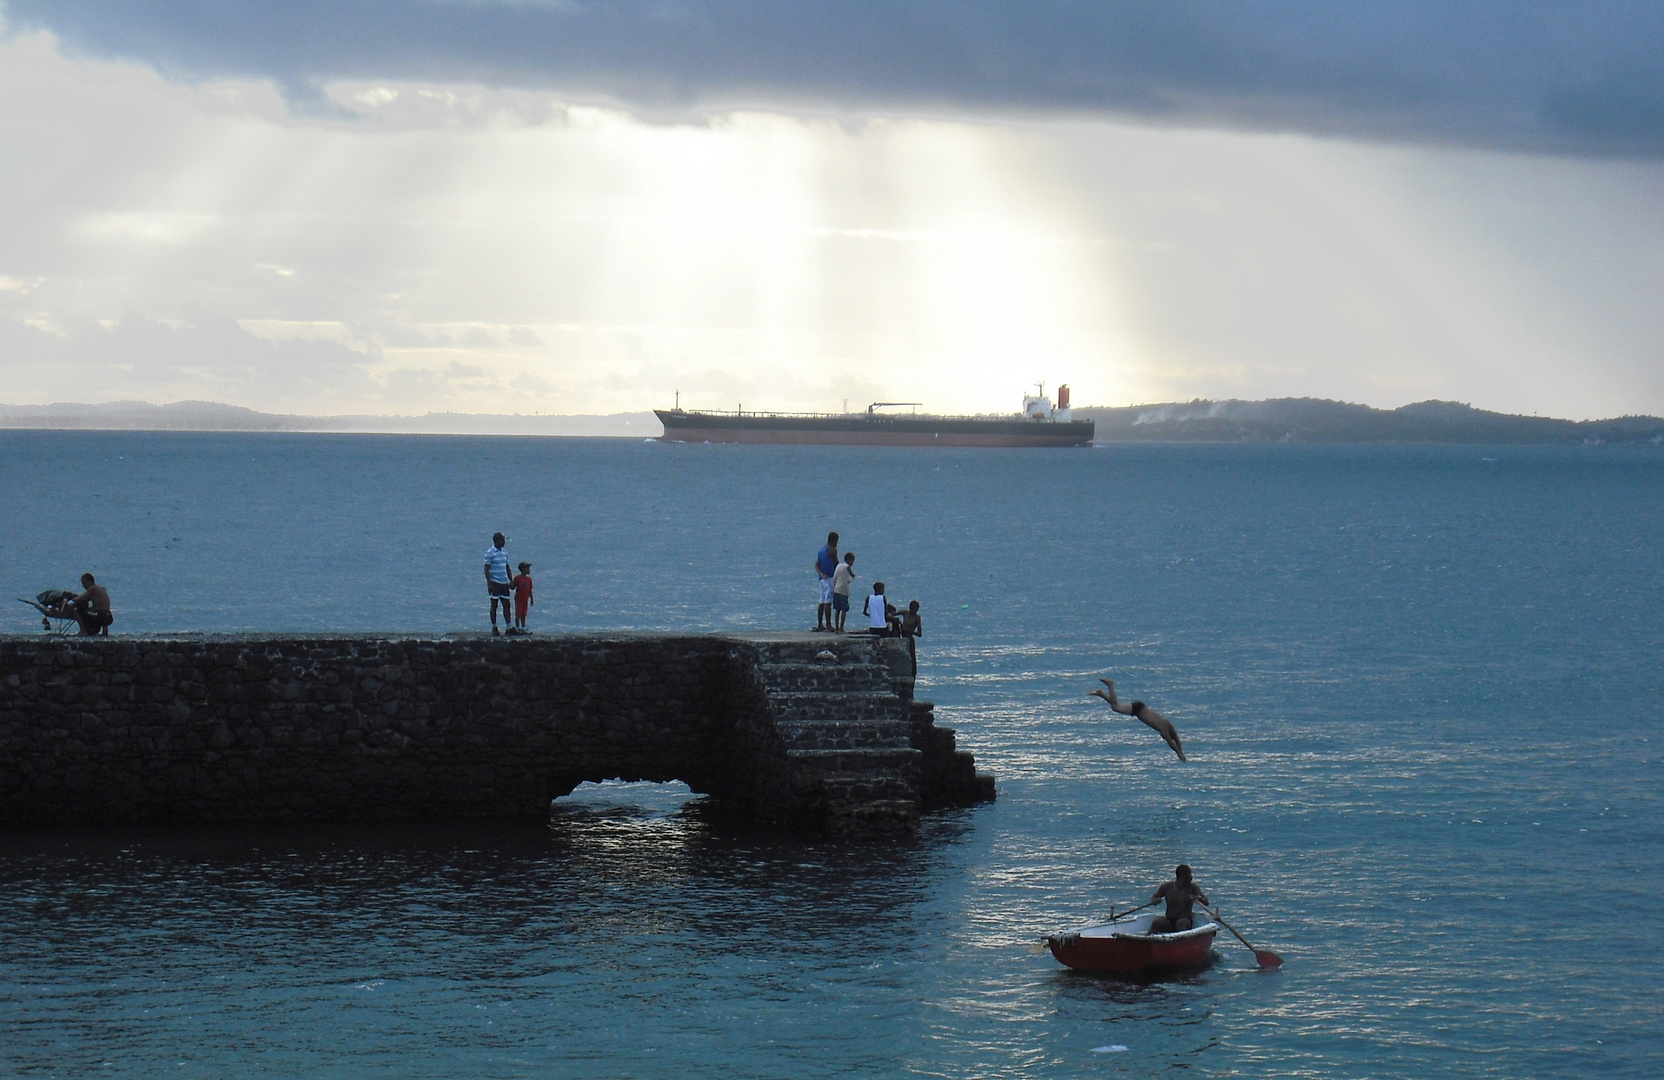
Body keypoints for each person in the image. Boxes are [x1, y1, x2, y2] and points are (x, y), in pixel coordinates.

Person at [1088, 677, 1187, 761]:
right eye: (1164, 737)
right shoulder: (1164, 730)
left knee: (1116, 706)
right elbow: (1171, 741)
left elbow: (1176, 739)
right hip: (1137, 710)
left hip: (1140, 708)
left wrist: (1181, 752)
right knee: (1115, 706)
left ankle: (1101, 693)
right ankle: (1110, 685)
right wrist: (1178, 753)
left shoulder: (1168, 724)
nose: (1163, 737)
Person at [1148, 864, 1209, 934]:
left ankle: (1181, 942)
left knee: (1181, 923)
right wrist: (1155, 900)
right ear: (1181, 877)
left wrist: (1199, 899)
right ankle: (1146, 940)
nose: (1191, 877)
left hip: (1185, 920)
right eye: (1189, 876)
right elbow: (1155, 897)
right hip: (1169, 920)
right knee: (1157, 922)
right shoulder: (1167, 887)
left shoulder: (1192, 887)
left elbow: (1206, 901)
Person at [483, 532, 513, 634]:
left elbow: (507, 567)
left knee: (506, 604)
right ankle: (494, 627)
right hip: (495, 582)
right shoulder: (490, 552)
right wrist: (489, 583)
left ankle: (509, 627)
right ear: (497, 540)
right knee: (494, 605)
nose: (504, 542)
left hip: (504, 582)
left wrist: (511, 580)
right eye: (502, 540)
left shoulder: (505, 552)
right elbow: (486, 569)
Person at [813, 531, 840, 631]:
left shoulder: (821, 550)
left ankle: (820, 624)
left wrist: (821, 573)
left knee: (822, 601)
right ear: (835, 540)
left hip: (822, 579)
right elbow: (836, 563)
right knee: (828, 602)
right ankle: (828, 625)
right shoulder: (832, 550)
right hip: (830, 578)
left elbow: (816, 565)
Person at [831, 552, 857, 633]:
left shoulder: (838, 566)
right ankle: (841, 628)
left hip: (836, 589)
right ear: (850, 560)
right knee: (844, 610)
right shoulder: (847, 567)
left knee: (837, 610)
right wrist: (853, 575)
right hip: (844, 590)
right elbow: (849, 579)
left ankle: (836, 628)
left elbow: (834, 578)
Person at [897, 600, 922, 675]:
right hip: (902, 639)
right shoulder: (905, 613)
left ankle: (913, 673)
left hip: (909, 639)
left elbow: (919, 633)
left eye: (916, 609)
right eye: (913, 609)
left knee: (912, 658)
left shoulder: (917, 618)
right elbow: (893, 614)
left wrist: (908, 631)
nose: (914, 611)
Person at [510, 561, 535, 634]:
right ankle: (518, 628)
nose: (529, 570)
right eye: (527, 568)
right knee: (518, 614)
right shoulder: (517, 578)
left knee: (524, 614)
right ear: (523, 569)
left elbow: (530, 589)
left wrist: (531, 599)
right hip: (519, 598)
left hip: (525, 599)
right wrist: (510, 584)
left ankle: (523, 627)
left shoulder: (529, 579)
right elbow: (513, 587)